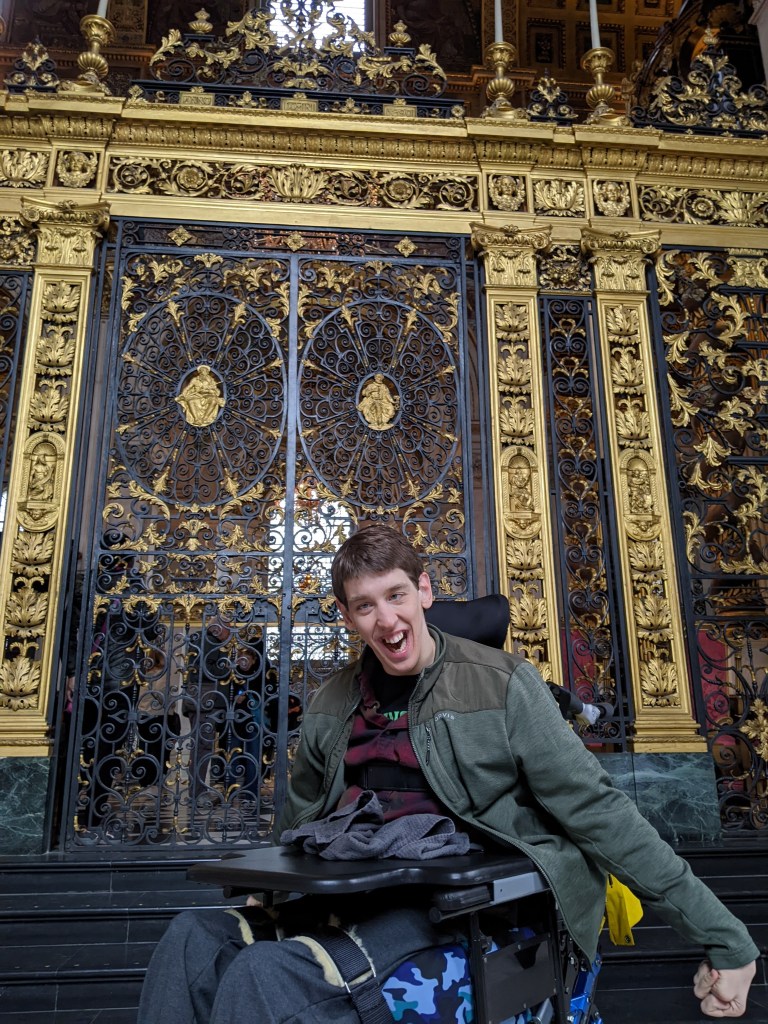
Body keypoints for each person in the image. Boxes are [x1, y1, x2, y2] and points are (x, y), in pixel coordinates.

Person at [138, 524, 759, 1023]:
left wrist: (724, 938)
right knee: (190, 937)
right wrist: (264, 888)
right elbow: (298, 817)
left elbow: (601, 815)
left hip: (457, 902)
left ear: (425, 591)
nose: (386, 620)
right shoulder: (332, 701)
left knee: (264, 976)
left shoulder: (503, 685)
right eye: (365, 605)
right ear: (347, 616)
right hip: (354, 888)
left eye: (396, 595)